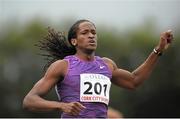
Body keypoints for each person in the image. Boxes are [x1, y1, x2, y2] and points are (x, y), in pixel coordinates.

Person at [23, 19, 173, 118]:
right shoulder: (63, 66)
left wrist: (158, 50)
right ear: (74, 41)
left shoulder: (107, 65)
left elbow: (134, 81)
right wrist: (61, 106)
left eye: (94, 32)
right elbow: (29, 101)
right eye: (85, 33)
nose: (91, 36)